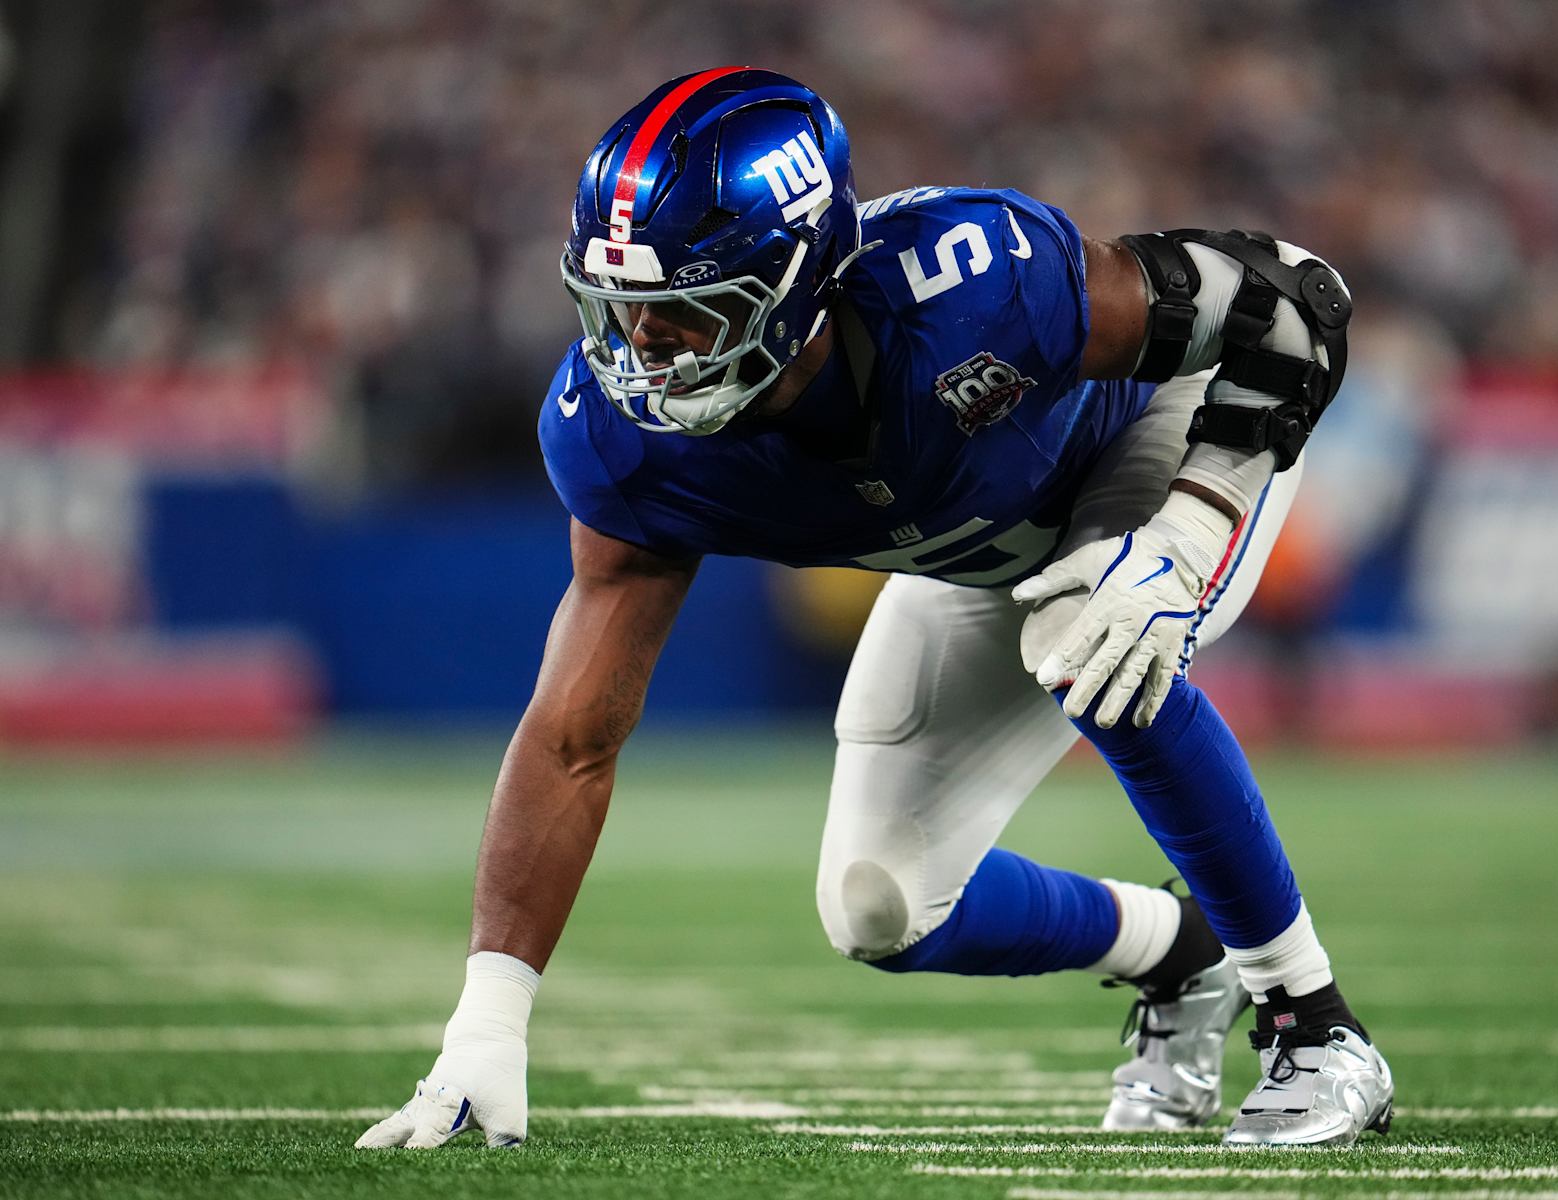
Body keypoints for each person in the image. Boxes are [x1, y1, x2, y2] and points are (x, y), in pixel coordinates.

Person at [356, 66, 1393, 1152]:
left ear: (795, 280)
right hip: (991, 550)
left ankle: (1317, 1029)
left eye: (680, 314)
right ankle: (1181, 954)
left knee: (1088, 630)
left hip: (1157, 448)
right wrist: (487, 1025)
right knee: (881, 902)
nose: (640, 353)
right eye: (618, 309)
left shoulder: (974, 287)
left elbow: (1291, 300)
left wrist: (1183, 533)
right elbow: (573, 740)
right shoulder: (627, 443)